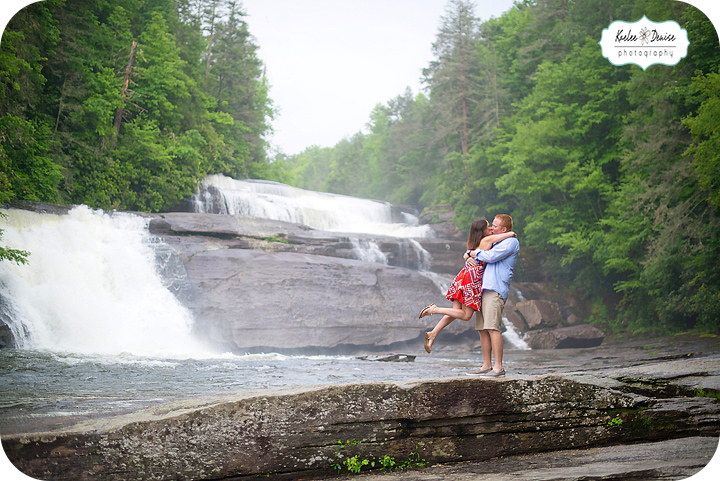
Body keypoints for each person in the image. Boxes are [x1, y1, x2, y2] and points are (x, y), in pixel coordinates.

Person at [418, 218, 516, 354]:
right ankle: (435, 309)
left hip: (463, 277)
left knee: (455, 312)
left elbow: (471, 254)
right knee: (466, 315)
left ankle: (433, 333)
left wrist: (467, 255)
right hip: (471, 280)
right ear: (482, 231)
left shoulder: (475, 242)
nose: (491, 229)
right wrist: (511, 233)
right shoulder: (487, 240)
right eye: (488, 227)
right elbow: (508, 235)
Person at [465, 214, 519, 378]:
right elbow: (477, 251)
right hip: (483, 289)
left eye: (495, 226)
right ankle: (486, 365)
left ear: (504, 229)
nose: (491, 228)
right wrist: (468, 254)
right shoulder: (496, 241)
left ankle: (498, 367)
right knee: (482, 329)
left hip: (495, 289)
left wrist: (472, 253)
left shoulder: (511, 242)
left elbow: (490, 257)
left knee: (492, 328)